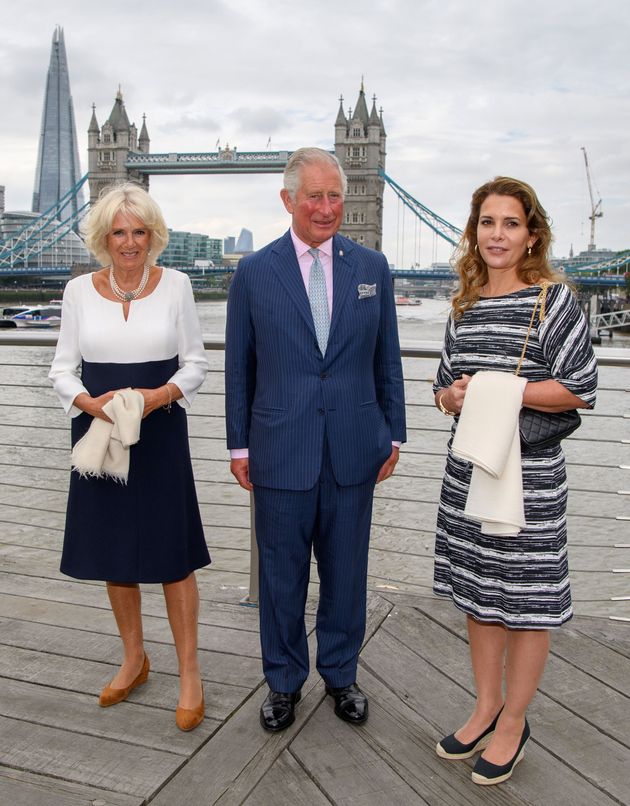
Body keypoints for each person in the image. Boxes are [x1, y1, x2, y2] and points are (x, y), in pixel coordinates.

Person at [225, 147, 406, 732]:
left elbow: (388, 360)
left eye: (335, 195)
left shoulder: (372, 268)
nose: (327, 208)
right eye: (315, 196)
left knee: (347, 573)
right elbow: (239, 369)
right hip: (280, 449)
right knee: (280, 575)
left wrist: (393, 433)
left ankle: (341, 673)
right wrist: (238, 446)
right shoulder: (253, 272)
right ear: (288, 200)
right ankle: (282, 682)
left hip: (356, 447)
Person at [432, 177, 597, 785]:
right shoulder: (463, 304)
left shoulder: (553, 302)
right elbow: (445, 387)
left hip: (528, 478)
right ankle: (485, 705)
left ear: (532, 235)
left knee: (525, 603)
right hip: (470, 471)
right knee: (480, 595)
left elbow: (581, 386)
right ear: (474, 233)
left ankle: (514, 722)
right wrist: (451, 395)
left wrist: (504, 391)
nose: (496, 235)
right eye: (486, 223)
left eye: (510, 223)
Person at [49, 183, 210, 732]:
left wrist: (156, 397)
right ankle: (134, 659)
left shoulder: (178, 285)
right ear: (102, 237)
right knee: (116, 554)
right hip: (100, 430)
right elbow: (61, 369)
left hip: (160, 430)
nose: (129, 242)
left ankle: (190, 673)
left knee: (173, 557)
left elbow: (194, 365)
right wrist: (88, 403)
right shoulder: (77, 291)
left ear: (153, 236)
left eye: (139, 231)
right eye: (119, 232)